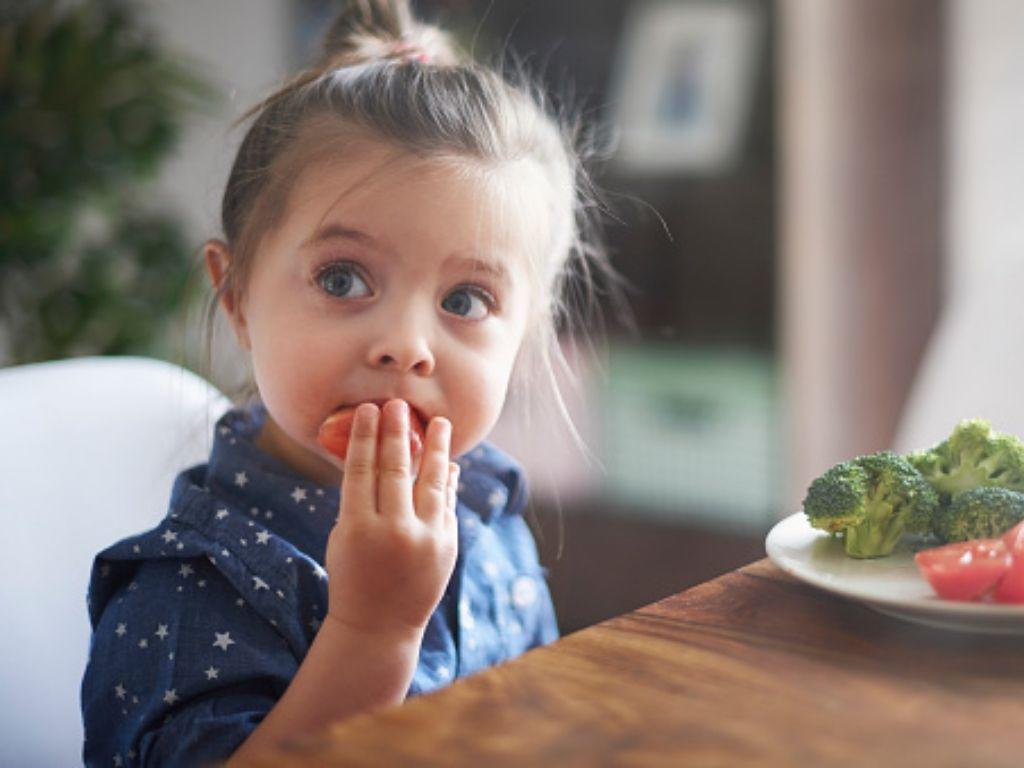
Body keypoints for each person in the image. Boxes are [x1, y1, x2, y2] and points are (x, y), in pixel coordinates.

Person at [81, 1, 618, 764]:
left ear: (525, 341)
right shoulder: (188, 590)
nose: (405, 347)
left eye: (465, 301)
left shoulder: (491, 515)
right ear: (236, 299)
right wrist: (374, 631)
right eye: (343, 278)